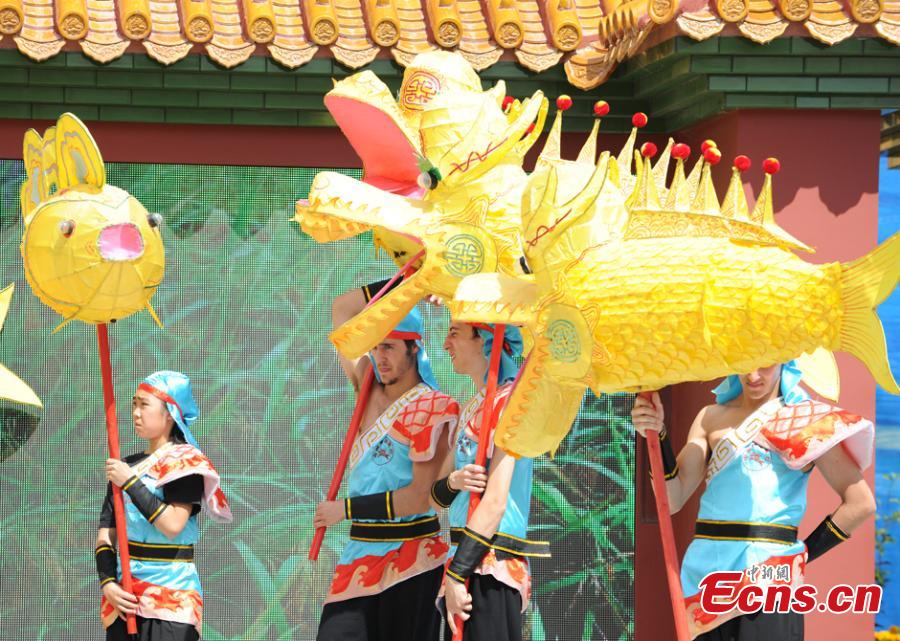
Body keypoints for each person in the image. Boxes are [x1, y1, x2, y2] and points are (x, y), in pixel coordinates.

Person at [631, 362, 877, 640]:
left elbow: (860, 503)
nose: (753, 375)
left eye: (765, 365)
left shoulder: (805, 420)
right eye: (744, 364)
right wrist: (657, 432)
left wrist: (802, 556)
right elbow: (672, 497)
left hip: (769, 576)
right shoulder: (709, 418)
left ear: (785, 358)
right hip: (705, 576)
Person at [314, 280, 460, 641]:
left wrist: (343, 510)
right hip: (359, 554)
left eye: (390, 347)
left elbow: (419, 498)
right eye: (376, 346)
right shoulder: (366, 385)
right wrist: (412, 283)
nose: (380, 357)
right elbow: (341, 309)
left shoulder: (434, 407)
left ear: (415, 349)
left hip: (413, 559)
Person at [433, 321, 550, 641]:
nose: (445, 344)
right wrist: (455, 481)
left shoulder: (511, 402)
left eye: (454, 333)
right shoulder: (473, 405)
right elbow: (436, 498)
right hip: (462, 560)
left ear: (485, 338)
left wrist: (458, 574)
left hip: (489, 566)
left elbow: (496, 501)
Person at [98, 370, 232, 641]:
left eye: (144, 405)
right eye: (134, 404)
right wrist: (108, 583)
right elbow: (106, 534)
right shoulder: (126, 464)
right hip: (125, 600)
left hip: (171, 600)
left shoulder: (185, 463)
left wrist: (130, 482)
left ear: (169, 412)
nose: (136, 412)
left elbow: (172, 525)